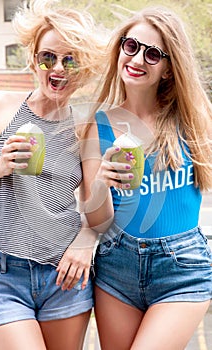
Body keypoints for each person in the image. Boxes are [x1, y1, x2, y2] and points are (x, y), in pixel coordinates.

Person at [0, 0, 104, 349]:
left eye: (69, 59)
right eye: (48, 56)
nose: (57, 68)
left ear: (83, 66)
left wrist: (87, 242)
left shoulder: (84, 125)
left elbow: (96, 206)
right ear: (33, 58)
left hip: (64, 274)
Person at [81, 6, 212, 350]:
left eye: (153, 54)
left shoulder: (193, 119)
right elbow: (98, 223)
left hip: (182, 270)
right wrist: (100, 184)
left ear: (169, 68)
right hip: (116, 267)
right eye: (131, 46)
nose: (137, 59)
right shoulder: (100, 125)